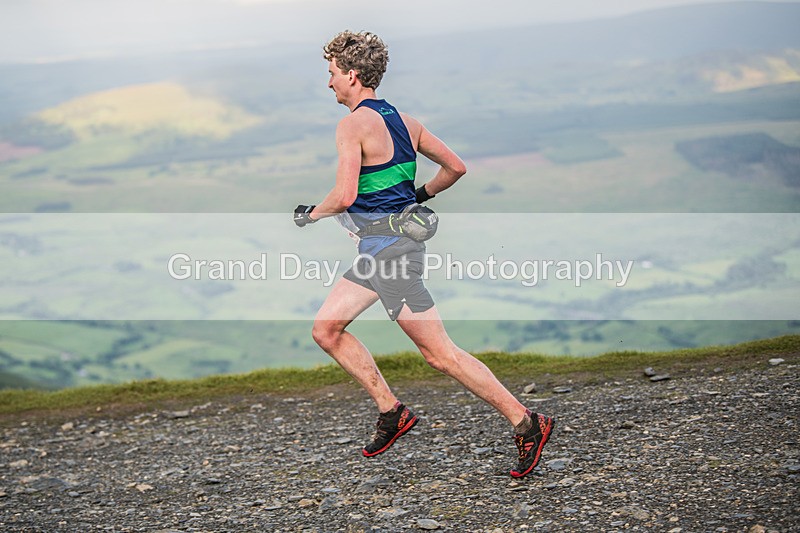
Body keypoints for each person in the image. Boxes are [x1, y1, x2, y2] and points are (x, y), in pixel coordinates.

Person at [293, 30, 554, 478]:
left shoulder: (352, 125)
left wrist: (310, 214)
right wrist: (419, 194)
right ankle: (391, 411)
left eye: (332, 73)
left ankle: (527, 422)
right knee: (327, 329)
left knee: (440, 354)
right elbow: (456, 167)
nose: (328, 82)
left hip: (390, 255)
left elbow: (345, 194)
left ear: (352, 75)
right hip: (382, 250)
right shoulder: (405, 121)